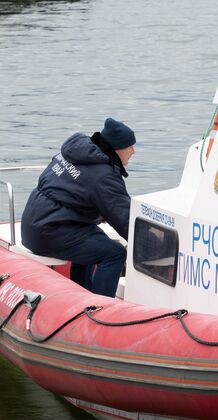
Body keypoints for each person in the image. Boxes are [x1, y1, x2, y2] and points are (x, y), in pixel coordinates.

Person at [21, 118, 136, 298]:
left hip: (34, 224)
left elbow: (71, 192)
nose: (133, 151)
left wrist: (99, 213)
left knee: (95, 239)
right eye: (130, 147)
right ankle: (99, 307)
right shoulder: (104, 175)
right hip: (49, 232)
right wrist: (154, 245)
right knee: (115, 253)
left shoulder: (76, 152)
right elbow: (126, 222)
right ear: (118, 149)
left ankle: (79, 296)